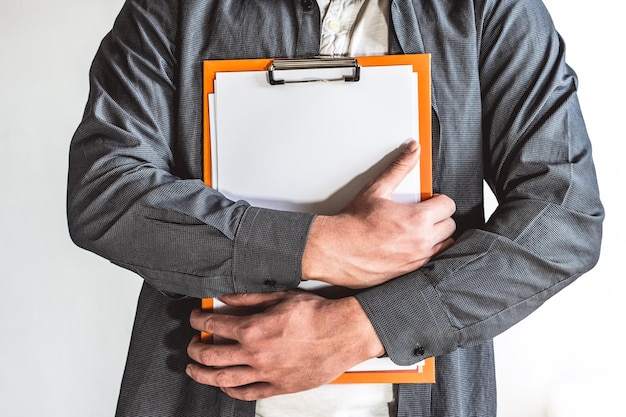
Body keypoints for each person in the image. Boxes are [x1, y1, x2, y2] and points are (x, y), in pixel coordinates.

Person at [67, 0, 604, 416]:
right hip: (201, 385)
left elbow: (565, 214)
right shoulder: (173, 8)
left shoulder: (489, 9)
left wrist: (359, 328)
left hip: (431, 392)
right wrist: (318, 246)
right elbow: (105, 192)